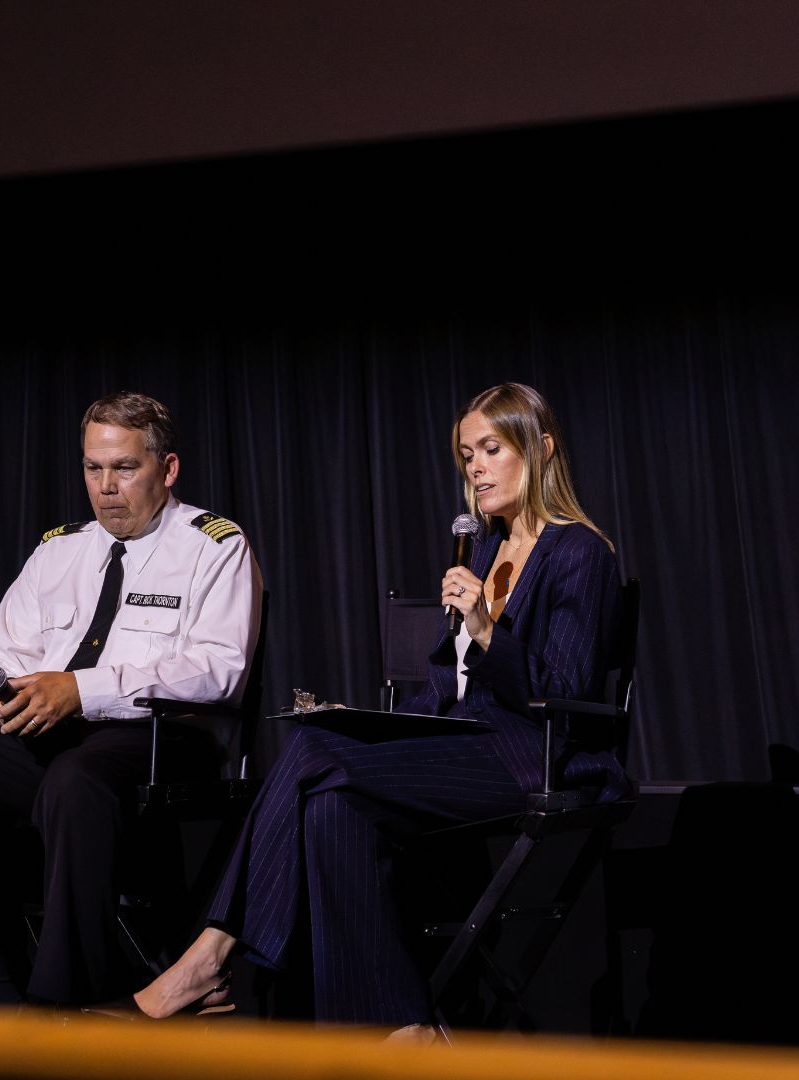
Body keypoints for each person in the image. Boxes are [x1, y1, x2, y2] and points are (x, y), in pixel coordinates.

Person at [134, 382, 624, 1034]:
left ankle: (209, 952)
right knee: (332, 802)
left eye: (490, 449)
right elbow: (446, 683)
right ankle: (398, 1031)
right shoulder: (483, 547)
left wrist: (484, 627)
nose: (474, 467)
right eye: (465, 454)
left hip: (533, 755)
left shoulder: (579, 553)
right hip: (467, 741)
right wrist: (374, 723)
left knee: (310, 755)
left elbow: (563, 689)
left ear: (541, 449)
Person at [0, 391, 263, 1006]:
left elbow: (217, 672)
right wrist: (6, 693)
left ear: (166, 469)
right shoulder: (59, 549)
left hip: (163, 738)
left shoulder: (213, 546)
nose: (106, 486)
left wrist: (80, 690)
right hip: (48, 732)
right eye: (94, 468)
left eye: (125, 468)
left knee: (75, 777)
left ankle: (64, 997)